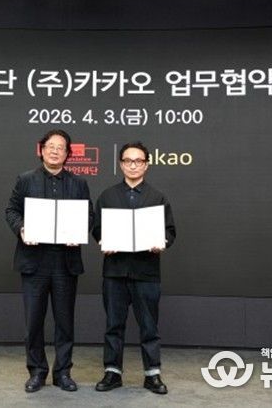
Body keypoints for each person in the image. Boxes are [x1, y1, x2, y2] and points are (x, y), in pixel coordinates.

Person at [5, 129, 93, 393]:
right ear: (41, 150)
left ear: (68, 154)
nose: (55, 151)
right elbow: (11, 210)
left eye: (61, 147)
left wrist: (79, 233)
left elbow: (89, 215)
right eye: (50, 146)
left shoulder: (79, 184)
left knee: (65, 322)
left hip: (65, 262)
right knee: (34, 322)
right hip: (34, 262)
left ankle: (63, 372)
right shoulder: (26, 180)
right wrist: (22, 229)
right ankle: (37, 371)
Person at [92, 141, 176, 395]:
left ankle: (152, 374)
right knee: (113, 325)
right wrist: (102, 240)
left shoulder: (158, 197)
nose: (133, 165)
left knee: (149, 327)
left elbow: (170, 231)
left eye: (138, 161)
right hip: (115, 272)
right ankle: (112, 373)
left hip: (147, 272)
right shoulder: (107, 196)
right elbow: (97, 228)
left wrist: (162, 242)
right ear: (121, 164)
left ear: (146, 165)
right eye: (128, 161)